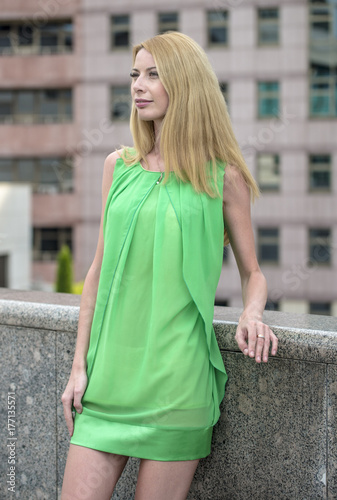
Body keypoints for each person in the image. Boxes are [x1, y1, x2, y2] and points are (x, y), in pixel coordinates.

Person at [61, 31, 278, 500]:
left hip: (177, 385)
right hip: (107, 382)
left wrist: (252, 312)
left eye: (154, 74)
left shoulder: (223, 178)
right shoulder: (118, 167)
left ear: (185, 83)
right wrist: (78, 367)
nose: (139, 85)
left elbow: (252, 273)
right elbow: (96, 273)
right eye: (135, 74)